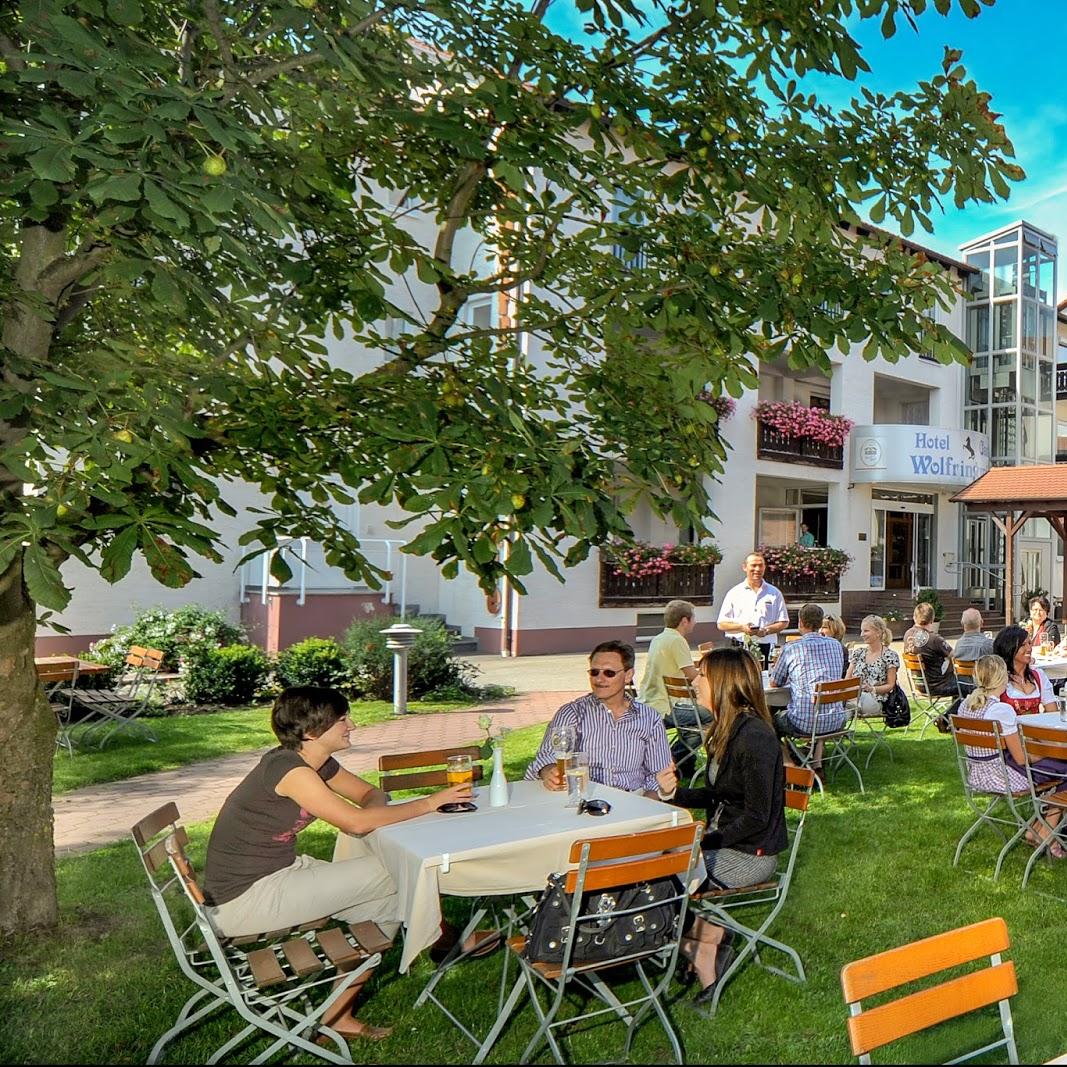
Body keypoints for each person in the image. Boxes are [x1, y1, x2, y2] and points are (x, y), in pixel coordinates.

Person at [203, 687, 474, 1040]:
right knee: (395, 869)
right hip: (243, 901)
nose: (353, 724)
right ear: (312, 732)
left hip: (276, 875)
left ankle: (336, 1016)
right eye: (342, 719)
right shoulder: (290, 770)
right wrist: (430, 803)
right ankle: (443, 938)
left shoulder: (314, 761)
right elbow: (356, 823)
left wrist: (377, 811)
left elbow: (368, 796)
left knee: (388, 902)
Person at [656, 645, 786, 1004]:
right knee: (647, 868)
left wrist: (705, 843)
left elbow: (757, 816)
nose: (696, 681)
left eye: (703, 675)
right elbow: (719, 796)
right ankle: (707, 939)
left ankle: (700, 943)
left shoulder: (756, 737)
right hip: (725, 843)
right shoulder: (726, 730)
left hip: (749, 854)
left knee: (657, 878)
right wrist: (671, 796)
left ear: (724, 683)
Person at [525, 640, 676, 797]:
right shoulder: (571, 713)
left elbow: (660, 775)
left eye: (609, 673)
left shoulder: (649, 718)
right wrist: (548, 771)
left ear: (628, 675)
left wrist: (645, 804)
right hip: (584, 799)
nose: (599, 679)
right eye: (594, 672)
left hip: (633, 798)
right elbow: (546, 758)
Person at [955, 655, 1067, 858]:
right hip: (1003, 777)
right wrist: (1049, 750)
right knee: (1064, 768)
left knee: (1061, 767)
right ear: (1002, 679)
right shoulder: (1001, 710)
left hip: (977, 774)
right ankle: (1044, 833)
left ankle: (1038, 828)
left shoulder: (965, 705)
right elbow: (1022, 758)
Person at [768, 603, 847, 771]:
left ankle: (789, 763)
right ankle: (816, 764)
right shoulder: (837, 646)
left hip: (804, 723)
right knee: (817, 708)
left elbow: (775, 683)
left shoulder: (791, 648)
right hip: (836, 719)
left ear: (801, 622)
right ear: (820, 623)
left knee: (767, 721)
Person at [638, 599, 711, 777]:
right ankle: (676, 760)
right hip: (667, 706)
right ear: (684, 621)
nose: (695, 622)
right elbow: (693, 676)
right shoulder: (677, 641)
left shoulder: (659, 638)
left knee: (696, 722)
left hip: (648, 700)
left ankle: (682, 765)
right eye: (694, 618)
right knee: (716, 713)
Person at [716, 551, 790, 669]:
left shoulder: (774, 593)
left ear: (765, 568)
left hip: (765, 646)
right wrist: (742, 628)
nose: (757, 569)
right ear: (745, 567)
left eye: (760, 565)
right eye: (753, 565)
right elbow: (721, 624)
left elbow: (784, 621)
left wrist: (766, 630)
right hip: (737, 647)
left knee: (762, 682)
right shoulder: (734, 593)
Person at [994, 625, 1056, 715]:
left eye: (1030, 643)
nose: (1029, 649)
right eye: (1023, 645)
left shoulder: (1038, 675)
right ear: (1008, 648)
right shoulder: (997, 678)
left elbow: (1052, 711)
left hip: (1035, 728)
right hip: (1010, 728)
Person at [846, 615, 900, 711]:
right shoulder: (858, 653)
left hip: (876, 699)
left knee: (848, 704)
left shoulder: (890, 656)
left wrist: (872, 689)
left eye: (866, 631)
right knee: (840, 711)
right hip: (854, 696)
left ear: (878, 633)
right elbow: (847, 679)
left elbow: (890, 685)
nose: (862, 634)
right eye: (861, 631)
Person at [903, 602, 957, 696]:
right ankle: (955, 710)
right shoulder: (934, 639)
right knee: (967, 685)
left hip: (919, 685)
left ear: (914, 617)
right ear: (932, 619)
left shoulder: (907, 634)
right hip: (939, 686)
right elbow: (954, 655)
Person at [819, 613, 849, 677]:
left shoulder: (841, 649)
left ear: (835, 629)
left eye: (824, 627)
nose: (820, 631)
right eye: (819, 627)